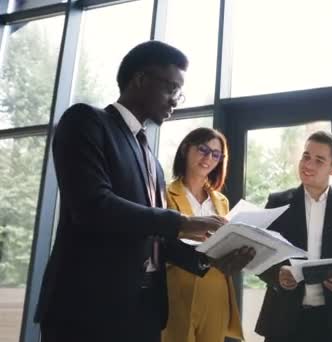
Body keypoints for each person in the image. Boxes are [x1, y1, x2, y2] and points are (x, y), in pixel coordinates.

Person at [35, 41, 255, 342]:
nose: (176, 99)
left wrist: (210, 260)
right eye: (172, 88)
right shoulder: (86, 121)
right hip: (88, 309)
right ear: (140, 80)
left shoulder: (151, 158)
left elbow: (154, 237)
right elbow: (92, 206)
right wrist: (182, 222)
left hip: (143, 314)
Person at [255, 131, 332, 342]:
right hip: (284, 320)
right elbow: (259, 257)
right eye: (306, 157)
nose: (308, 164)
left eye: (319, 160)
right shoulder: (277, 202)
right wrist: (276, 275)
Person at [162, 127, 243, 342]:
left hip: (216, 289)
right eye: (203, 149)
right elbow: (160, 242)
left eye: (216, 154)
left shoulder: (221, 201)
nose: (208, 158)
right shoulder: (163, 193)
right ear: (186, 150)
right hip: (177, 289)